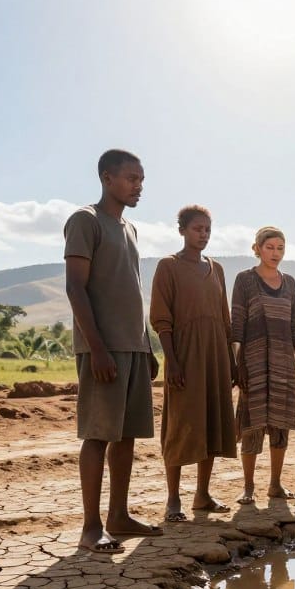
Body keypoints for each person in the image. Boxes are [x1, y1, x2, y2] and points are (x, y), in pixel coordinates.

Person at [64, 148, 162, 554]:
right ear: (107, 178)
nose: (139, 185)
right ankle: (91, 528)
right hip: (102, 348)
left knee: (126, 437)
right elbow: (75, 287)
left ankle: (119, 516)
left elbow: (132, 291)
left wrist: (147, 345)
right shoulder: (85, 221)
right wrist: (98, 348)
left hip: (133, 347)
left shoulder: (130, 229)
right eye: (131, 178)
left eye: (141, 179)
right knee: (98, 436)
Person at [150, 205, 237, 522]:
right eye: (197, 229)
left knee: (210, 423)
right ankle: (173, 499)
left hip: (215, 355)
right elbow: (162, 319)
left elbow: (225, 321)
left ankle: (202, 494)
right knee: (180, 426)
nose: (203, 235)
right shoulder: (168, 267)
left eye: (207, 230)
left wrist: (231, 361)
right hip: (184, 356)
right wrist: (172, 361)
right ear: (182, 231)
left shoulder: (217, 269)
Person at [231, 226, 295, 501]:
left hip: (283, 362)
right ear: (257, 249)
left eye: (280, 248)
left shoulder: (290, 283)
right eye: (270, 247)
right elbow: (236, 324)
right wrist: (237, 364)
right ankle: (248, 487)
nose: (275, 253)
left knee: (280, 423)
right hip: (253, 362)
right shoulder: (245, 280)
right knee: (252, 423)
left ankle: (275, 484)